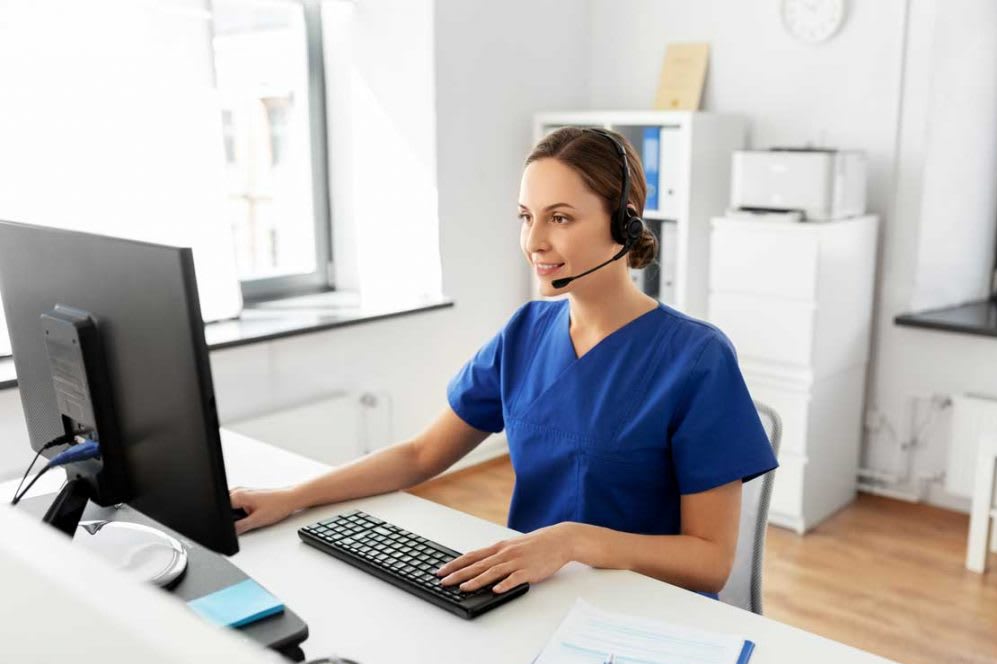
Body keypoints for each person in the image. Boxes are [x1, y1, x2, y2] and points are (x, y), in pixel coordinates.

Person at [230, 127, 778, 599]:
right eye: (526, 217)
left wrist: (572, 540)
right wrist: (292, 497)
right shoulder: (526, 332)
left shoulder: (696, 358)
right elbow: (422, 454)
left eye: (560, 218)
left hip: (643, 612)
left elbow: (711, 560)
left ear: (626, 224)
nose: (534, 241)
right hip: (534, 592)